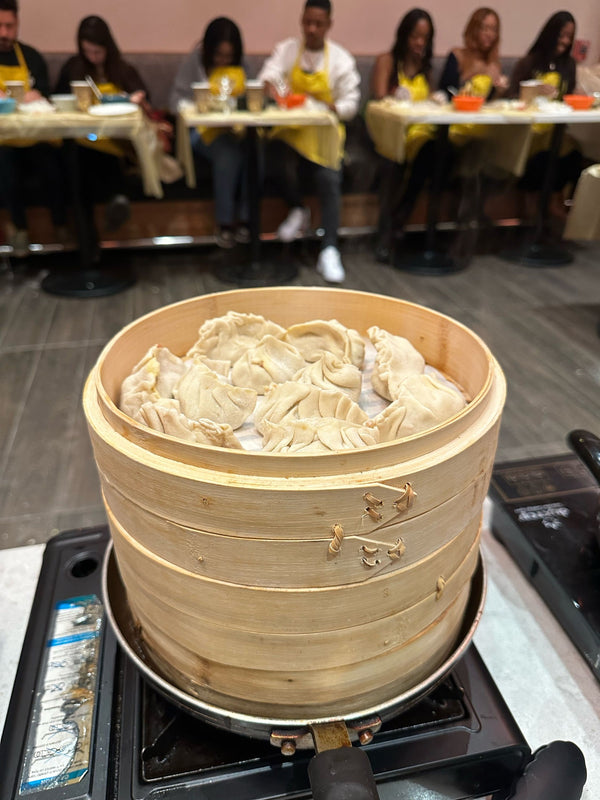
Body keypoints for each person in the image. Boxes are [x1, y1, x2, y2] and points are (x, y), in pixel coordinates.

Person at [257, 0, 360, 283]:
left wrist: (329, 108)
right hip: (289, 133)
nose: (311, 29)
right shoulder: (287, 50)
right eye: (307, 22)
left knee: (329, 178)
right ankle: (297, 208)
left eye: (318, 24)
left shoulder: (341, 60)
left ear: (329, 25)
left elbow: (351, 103)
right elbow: (267, 78)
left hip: (324, 136)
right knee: (269, 156)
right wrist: (274, 88)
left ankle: (329, 249)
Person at [55, 16, 152, 233]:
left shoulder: (123, 70)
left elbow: (146, 100)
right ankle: (92, 230)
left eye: (98, 52)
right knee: (78, 158)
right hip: (83, 140)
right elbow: (57, 101)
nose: (93, 57)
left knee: (105, 156)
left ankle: (116, 203)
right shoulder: (73, 68)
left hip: (119, 143)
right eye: (88, 52)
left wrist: (138, 99)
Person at [170, 17, 249, 249]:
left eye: (229, 56)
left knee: (252, 150)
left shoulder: (242, 67)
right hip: (200, 131)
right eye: (218, 55)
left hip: (236, 129)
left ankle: (246, 219)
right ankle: (224, 223)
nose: (224, 61)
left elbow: (252, 98)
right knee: (228, 154)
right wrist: (196, 105)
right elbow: (175, 101)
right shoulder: (193, 63)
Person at [370, 8, 440, 262]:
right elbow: (378, 100)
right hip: (389, 133)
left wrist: (435, 99)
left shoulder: (426, 69)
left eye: (425, 38)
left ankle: (399, 221)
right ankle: (389, 228)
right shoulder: (387, 61)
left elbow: (431, 101)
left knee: (435, 152)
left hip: (420, 133)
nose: (419, 43)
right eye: (415, 36)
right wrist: (394, 95)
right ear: (403, 36)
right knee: (397, 161)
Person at [0, 0, 67, 256]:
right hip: (3, 141)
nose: (4, 33)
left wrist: (36, 95)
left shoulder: (31, 57)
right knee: (6, 166)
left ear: (17, 24)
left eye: (9, 26)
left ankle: (61, 226)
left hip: (35, 136)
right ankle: (19, 230)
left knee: (53, 161)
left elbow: (50, 98)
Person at [508, 11, 581, 220]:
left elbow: (569, 98)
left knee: (574, 156)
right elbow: (512, 98)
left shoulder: (569, 66)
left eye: (569, 36)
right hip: (530, 132)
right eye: (561, 35)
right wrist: (534, 91)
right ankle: (534, 210)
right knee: (544, 158)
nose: (565, 41)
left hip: (557, 130)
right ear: (551, 34)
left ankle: (552, 207)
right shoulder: (529, 62)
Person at [439, 8, 508, 102]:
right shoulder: (457, 56)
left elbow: (493, 102)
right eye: (484, 28)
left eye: (494, 29)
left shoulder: (495, 63)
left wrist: (500, 91)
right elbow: (444, 92)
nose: (489, 34)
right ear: (473, 30)